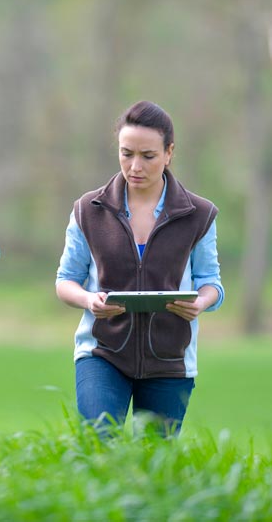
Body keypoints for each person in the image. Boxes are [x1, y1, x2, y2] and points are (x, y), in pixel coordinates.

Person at [55, 101, 224, 438]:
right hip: (101, 353)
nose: (135, 166)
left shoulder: (199, 215)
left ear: (169, 152)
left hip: (171, 361)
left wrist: (201, 303)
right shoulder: (88, 210)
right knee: (99, 444)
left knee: (156, 462)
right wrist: (89, 300)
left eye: (147, 156)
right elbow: (65, 282)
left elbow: (211, 283)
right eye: (126, 153)